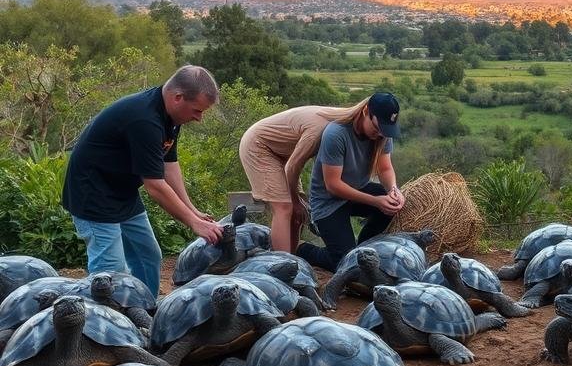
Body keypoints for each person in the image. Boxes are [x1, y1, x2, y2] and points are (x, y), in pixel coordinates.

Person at [62, 65, 223, 297]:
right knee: (110, 270)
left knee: (147, 255)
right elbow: (155, 186)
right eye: (197, 110)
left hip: (122, 192)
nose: (199, 118)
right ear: (178, 97)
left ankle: (144, 307)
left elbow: (169, 164)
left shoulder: (171, 117)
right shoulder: (145, 120)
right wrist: (193, 223)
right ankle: (103, 325)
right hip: (92, 194)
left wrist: (192, 210)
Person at [295, 92, 405, 271]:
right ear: (366, 111)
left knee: (391, 204)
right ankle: (301, 248)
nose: (379, 134)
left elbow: (384, 168)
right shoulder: (336, 133)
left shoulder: (383, 133)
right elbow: (333, 186)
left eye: (384, 131)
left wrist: (393, 189)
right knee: (344, 263)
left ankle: (363, 249)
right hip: (328, 202)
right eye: (376, 128)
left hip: (357, 191)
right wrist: (376, 201)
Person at [239, 106, 352, 253]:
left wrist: (299, 201)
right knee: (284, 208)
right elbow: (291, 167)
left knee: (299, 212)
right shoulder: (318, 131)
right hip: (259, 146)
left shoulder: (339, 127)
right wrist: (295, 200)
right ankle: (280, 262)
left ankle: (292, 258)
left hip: (284, 153)